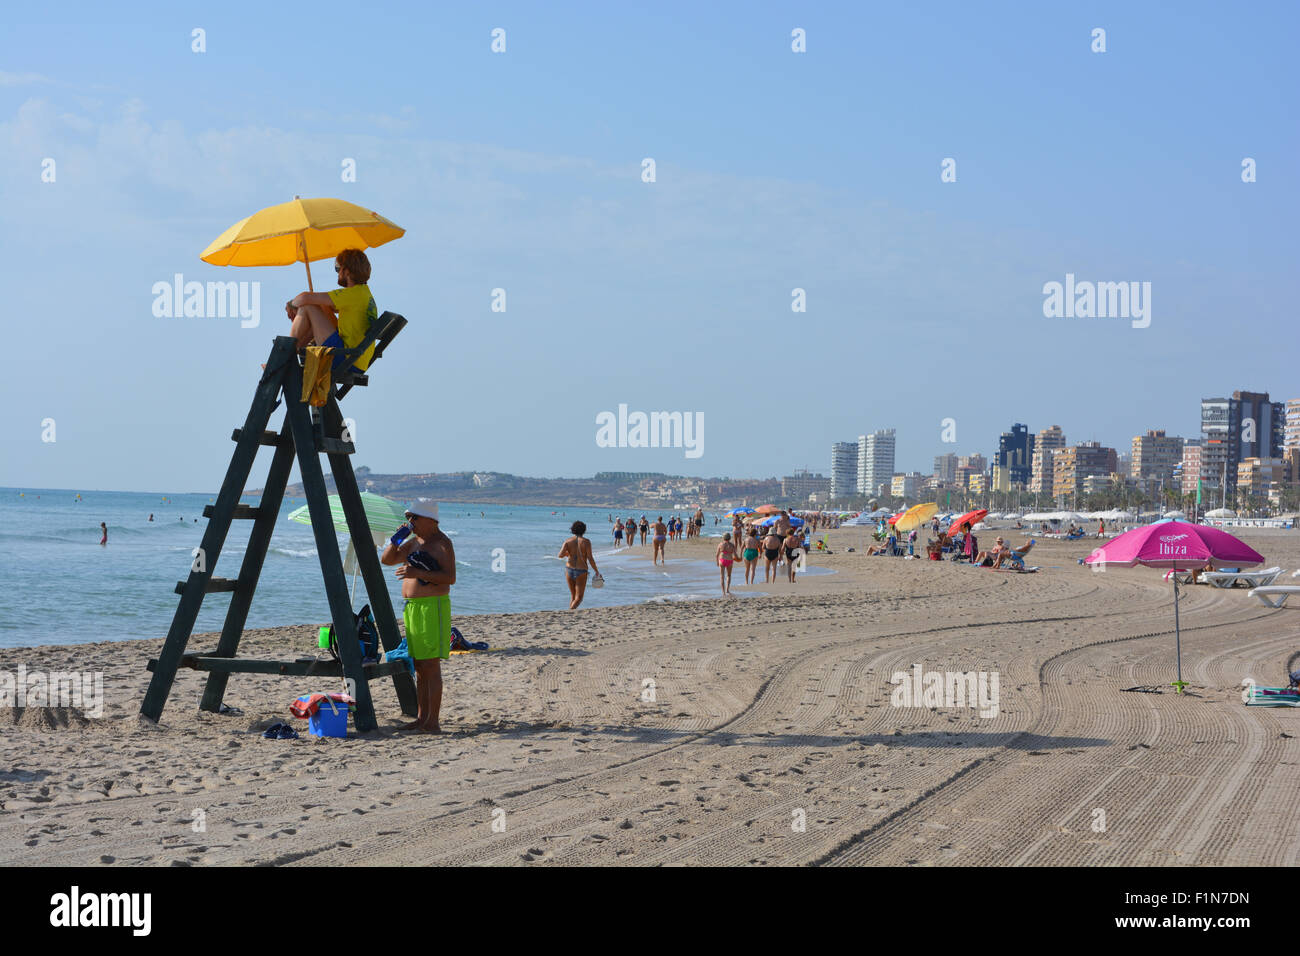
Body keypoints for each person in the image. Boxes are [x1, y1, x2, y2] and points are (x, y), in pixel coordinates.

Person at [381, 502, 455, 733]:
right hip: (412, 608)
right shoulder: (413, 542)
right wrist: (395, 540)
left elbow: (449, 577)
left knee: (431, 665)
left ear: (430, 519)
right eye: (409, 518)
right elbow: (386, 560)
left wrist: (417, 572)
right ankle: (422, 718)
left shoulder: (442, 544)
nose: (411, 522)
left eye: (415, 518)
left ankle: (433, 722)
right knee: (420, 665)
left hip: (433, 608)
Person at [286, 248, 379, 373]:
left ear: (347, 271)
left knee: (307, 306)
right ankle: (291, 353)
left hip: (346, 359)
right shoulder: (363, 293)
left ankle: (283, 354)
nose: (337, 273)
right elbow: (325, 305)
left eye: (338, 268)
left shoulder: (351, 294)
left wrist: (291, 305)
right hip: (355, 359)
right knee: (319, 305)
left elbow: (305, 298)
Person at [559, 521, 599, 609]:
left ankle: (570, 613)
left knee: (573, 596)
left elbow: (560, 555)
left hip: (569, 569)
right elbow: (590, 558)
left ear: (573, 529)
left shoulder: (568, 541)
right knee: (579, 598)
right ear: (584, 530)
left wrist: (568, 554)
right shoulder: (586, 542)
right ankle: (570, 612)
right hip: (581, 571)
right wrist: (596, 570)